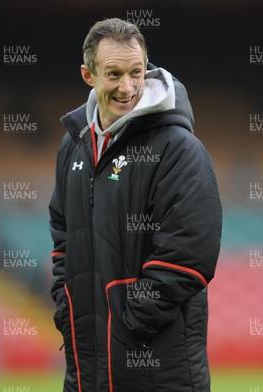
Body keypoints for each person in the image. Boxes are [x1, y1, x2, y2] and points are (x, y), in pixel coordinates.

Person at [49, 18, 222, 392]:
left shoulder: (178, 149)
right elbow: (63, 237)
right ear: (88, 75)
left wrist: (130, 324)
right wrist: (68, 310)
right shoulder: (73, 147)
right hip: (85, 369)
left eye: (136, 72)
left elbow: (190, 254)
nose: (127, 87)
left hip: (157, 372)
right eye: (113, 74)